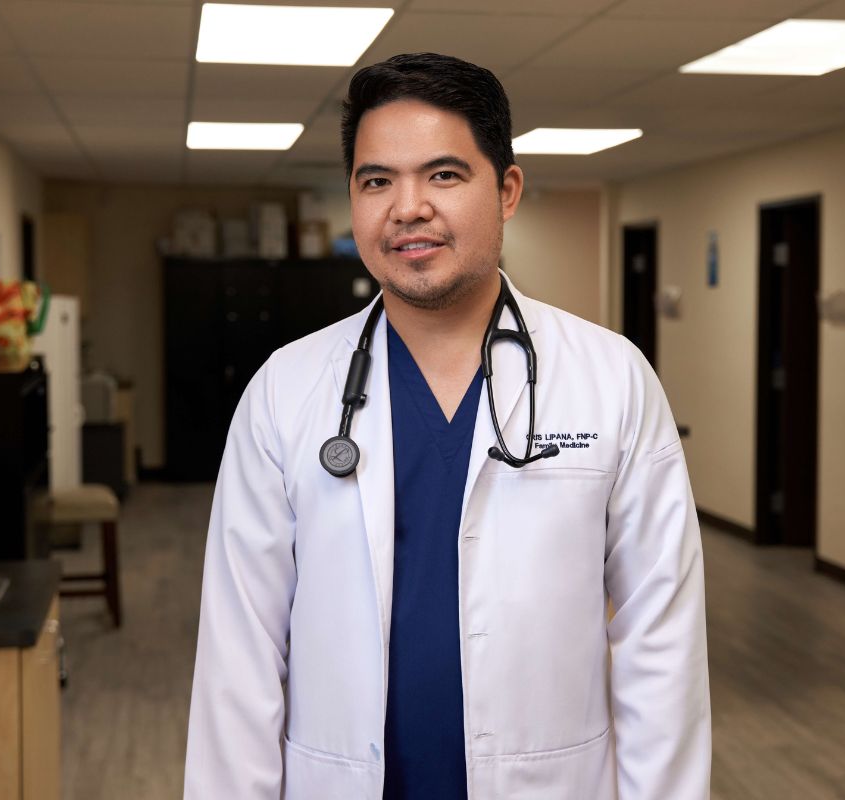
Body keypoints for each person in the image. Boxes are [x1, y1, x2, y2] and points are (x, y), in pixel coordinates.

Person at [185, 52, 710, 799]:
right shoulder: (286, 390)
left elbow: (663, 642)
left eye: (443, 175)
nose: (407, 208)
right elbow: (238, 657)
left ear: (507, 191)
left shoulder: (611, 379)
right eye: (376, 181)